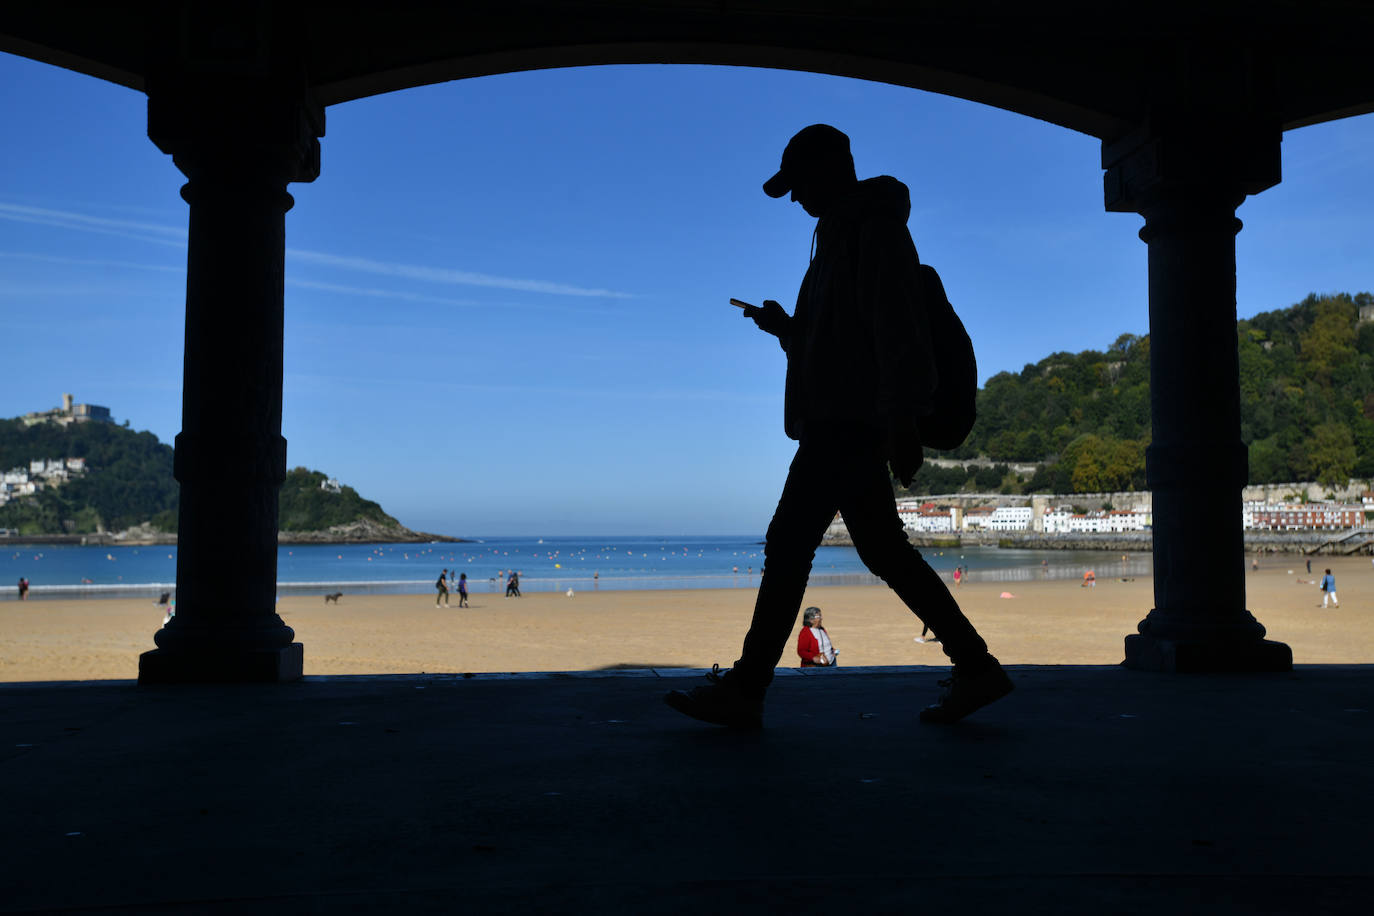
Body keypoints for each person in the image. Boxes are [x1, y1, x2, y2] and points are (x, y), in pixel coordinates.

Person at [666, 124, 1011, 729]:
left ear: (829, 171)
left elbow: (895, 326)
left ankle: (747, 687)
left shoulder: (870, 227)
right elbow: (841, 340)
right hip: (846, 418)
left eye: (799, 184)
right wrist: (788, 330)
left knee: (791, 545)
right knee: (882, 552)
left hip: (847, 422)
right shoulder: (839, 234)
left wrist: (900, 419)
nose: (796, 198)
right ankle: (976, 665)